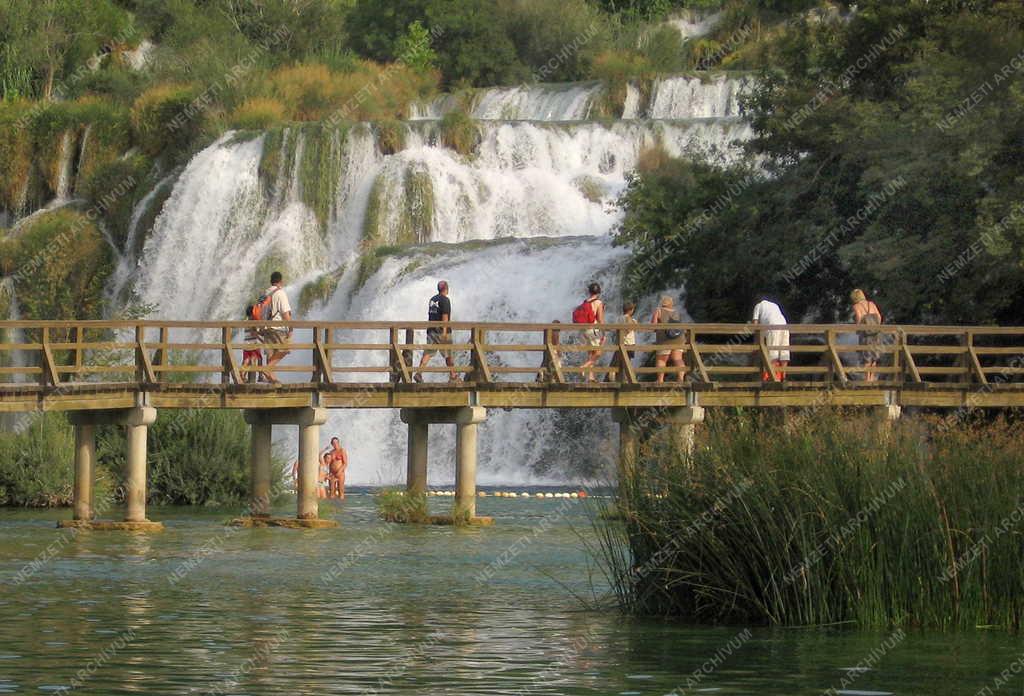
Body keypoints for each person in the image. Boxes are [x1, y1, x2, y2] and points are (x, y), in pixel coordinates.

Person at [416, 280, 459, 382]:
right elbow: (445, 317)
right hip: (441, 332)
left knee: (428, 353)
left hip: (431, 330)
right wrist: (444, 332)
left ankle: (419, 373)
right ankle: (453, 375)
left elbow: (431, 315)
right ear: (446, 289)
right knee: (448, 354)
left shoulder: (432, 300)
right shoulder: (445, 300)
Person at [259, 271, 293, 384]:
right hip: (277, 328)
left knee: (270, 354)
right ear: (280, 281)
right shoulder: (280, 293)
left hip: (265, 328)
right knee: (285, 348)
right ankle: (267, 369)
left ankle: (272, 381)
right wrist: (291, 328)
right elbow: (285, 313)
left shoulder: (265, 293)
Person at [751, 296, 790, 382]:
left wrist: (755, 343)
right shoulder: (774, 305)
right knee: (784, 352)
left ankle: (771, 378)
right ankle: (784, 377)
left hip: (772, 325)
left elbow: (755, 324)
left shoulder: (758, 306)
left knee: (773, 353)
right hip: (784, 324)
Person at [851, 288, 884, 382]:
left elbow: (859, 318)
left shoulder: (856, 306)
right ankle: (872, 377)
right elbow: (879, 317)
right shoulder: (871, 304)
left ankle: (866, 379)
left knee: (866, 357)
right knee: (874, 356)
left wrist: (858, 329)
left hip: (865, 334)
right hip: (876, 333)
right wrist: (875, 326)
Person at [575, 282, 605, 383]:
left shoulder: (585, 302)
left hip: (584, 330)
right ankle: (584, 366)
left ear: (589, 291)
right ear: (599, 292)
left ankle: (591, 377)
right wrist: (603, 332)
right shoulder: (598, 302)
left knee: (590, 352)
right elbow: (600, 319)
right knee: (598, 351)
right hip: (593, 330)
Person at [651, 296, 685, 383]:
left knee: (662, 359)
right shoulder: (677, 312)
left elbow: (653, 327)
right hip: (679, 338)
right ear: (671, 304)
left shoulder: (659, 311)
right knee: (678, 358)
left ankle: (660, 380)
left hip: (665, 339)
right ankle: (680, 378)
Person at [605, 301, 637, 382]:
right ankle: (624, 378)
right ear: (631, 310)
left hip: (621, 343)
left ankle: (617, 378)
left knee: (618, 361)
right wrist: (633, 322)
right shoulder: (628, 319)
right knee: (626, 362)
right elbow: (630, 329)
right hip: (629, 343)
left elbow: (616, 328)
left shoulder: (619, 318)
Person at [242, 305, 263, 384]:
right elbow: (253, 333)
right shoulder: (252, 321)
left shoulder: (246, 321)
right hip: (253, 343)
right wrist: (261, 339)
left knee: (246, 360)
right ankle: (260, 376)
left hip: (246, 343)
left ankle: (242, 375)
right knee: (259, 359)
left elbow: (251, 331)